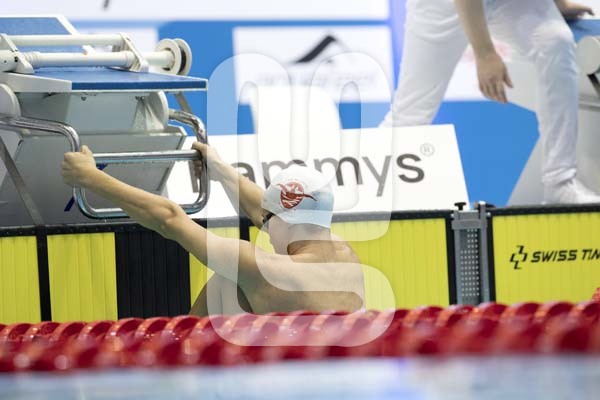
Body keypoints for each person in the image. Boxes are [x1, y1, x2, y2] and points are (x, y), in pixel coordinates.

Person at [61, 143, 364, 317]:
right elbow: (274, 213)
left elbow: (169, 219)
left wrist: (90, 177)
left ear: (281, 220)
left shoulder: (258, 267)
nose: (266, 230)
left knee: (227, 282)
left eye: (268, 221)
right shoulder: (347, 255)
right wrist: (220, 169)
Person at [381, 0, 600, 204]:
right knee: (412, 111)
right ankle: (373, 196)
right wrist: (484, 53)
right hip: (443, 6)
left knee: (555, 40)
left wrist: (558, 3)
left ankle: (559, 181)